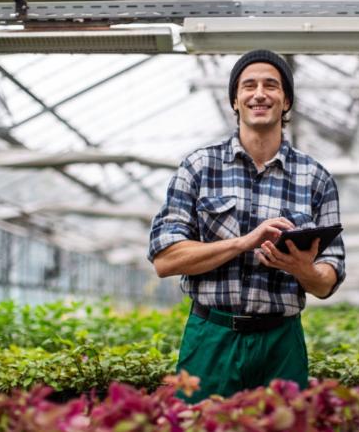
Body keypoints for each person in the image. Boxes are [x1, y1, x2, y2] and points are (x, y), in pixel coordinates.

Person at [148, 49, 345, 403]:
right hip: (211, 336)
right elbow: (165, 259)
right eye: (248, 85)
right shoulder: (198, 167)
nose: (259, 93)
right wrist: (244, 242)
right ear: (235, 100)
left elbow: (328, 279)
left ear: (286, 102)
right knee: (200, 426)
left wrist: (304, 270)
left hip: (281, 341)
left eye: (271, 85)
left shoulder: (316, 178)